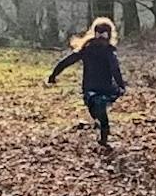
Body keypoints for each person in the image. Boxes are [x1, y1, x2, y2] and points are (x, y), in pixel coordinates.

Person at [47, 16, 125, 150]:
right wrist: (121, 85)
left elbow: (67, 61)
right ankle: (103, 131)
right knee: (102, 109)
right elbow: (114, 68)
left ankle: (101, 126)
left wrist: (54, 75)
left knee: (95, 109)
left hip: (90, 89)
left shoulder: (86, 48)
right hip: (106, 89)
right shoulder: (109, 50)